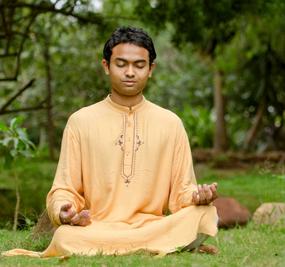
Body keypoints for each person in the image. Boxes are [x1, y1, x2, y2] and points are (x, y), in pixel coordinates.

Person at [3, 26, 218, 257]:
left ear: (151, 69)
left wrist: (197, 197)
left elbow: (181, 194)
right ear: (106, 66)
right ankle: (165, 245)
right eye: (121, 64)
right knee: (65, 235)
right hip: (98, 228)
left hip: (152, 225)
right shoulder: (80, 121)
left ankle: (142, 245)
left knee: (204, 214)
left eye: (139, 65)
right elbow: (65, 188)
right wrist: (63, 211)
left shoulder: (171, 123)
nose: (130, 72)